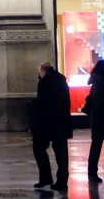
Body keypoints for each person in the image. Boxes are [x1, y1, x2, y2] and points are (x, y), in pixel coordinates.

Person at [30, 62, 72, 191]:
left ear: (43, 71)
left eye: (39, 70)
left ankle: (45, 177)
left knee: (38, 147)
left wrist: (36, 124)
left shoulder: (44, 83)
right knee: (61, 152)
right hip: (62, 122)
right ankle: (62, 180)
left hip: (47, 123)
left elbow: (42, 105)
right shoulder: (61, 80)